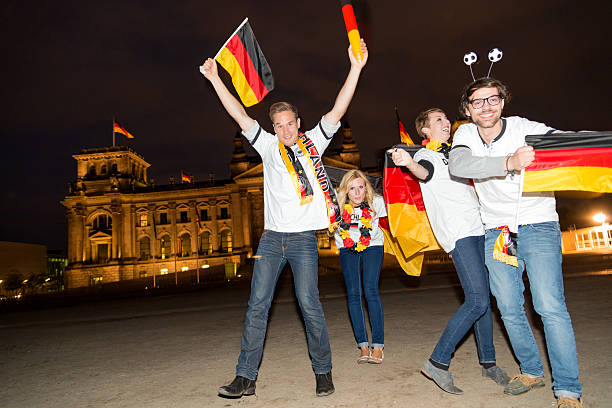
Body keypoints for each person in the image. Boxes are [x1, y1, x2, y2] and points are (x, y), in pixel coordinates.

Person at [200, 40, 368, 398]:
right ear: (273, 128)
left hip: (304, 239)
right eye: (278, 125)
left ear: (299, 123)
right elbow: (240, 115)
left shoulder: (315, 143)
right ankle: (246, 377)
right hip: (272, 240)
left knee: (309, 304)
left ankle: (323, 372)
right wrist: (216, 79)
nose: (286, 130)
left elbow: (338, 109)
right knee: (257, 306)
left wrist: (355, 67)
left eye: (290, 124)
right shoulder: (266, 147)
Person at [448, 77, 583, 408]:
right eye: (477, 102)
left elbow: (569, 143)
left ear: (503, 102)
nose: (486, 107)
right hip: (501, 233)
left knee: (549, 306)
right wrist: (509, 162)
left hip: (537, 225)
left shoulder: (525, 128)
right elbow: (459, 164)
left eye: (492, 99)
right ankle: (532, 371)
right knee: (508, 306)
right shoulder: (465, 133)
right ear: (467, 108)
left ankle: (567, 389)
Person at [390, 108, 510, 394]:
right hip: (460, 234)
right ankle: (437, 361)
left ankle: (489, 363)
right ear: (425, 131)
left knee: (484, 299)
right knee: (478, 300)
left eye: (446, 119)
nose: (447, 123)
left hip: (481, 229)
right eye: (439, 120)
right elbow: (423, 173)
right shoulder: (425, 156)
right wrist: (408, 162)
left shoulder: (454, 153)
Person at [334, 170, 386, 364]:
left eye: (360, 187)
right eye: (352, 188)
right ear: (346, 191)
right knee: (354, 293)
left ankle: (378, 346)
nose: (357, 193)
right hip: (347, 249)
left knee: (371, 290)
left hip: (372, 246)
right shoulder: (337, 206)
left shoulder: (376, 203)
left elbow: (394, 218)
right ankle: (363, 345)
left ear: (366, 188)